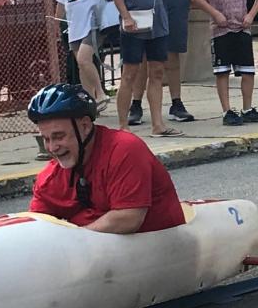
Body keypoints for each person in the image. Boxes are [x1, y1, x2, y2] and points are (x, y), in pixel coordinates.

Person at [27, 83, 185, 234]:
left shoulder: (125, 149)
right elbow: (35, 225)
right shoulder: (50, 178)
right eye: (46, 139)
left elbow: (129, 219)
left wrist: (74, 239)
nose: (52, 148)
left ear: (85, 126)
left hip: (160, 250)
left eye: (59, 136)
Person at [112, 0, 181, 138]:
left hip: (157, 18)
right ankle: (123, 126)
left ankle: (158, 124)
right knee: (130, 72)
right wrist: (126, 16)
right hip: (135, 19)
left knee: (158, 70)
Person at [54, 0, 113, 109]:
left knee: (83, 59)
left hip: (94, 21)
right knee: (81, 65)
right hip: (74, 24)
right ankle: (89, 104)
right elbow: (61, 0)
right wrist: (57, 24)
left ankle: (100, 94)